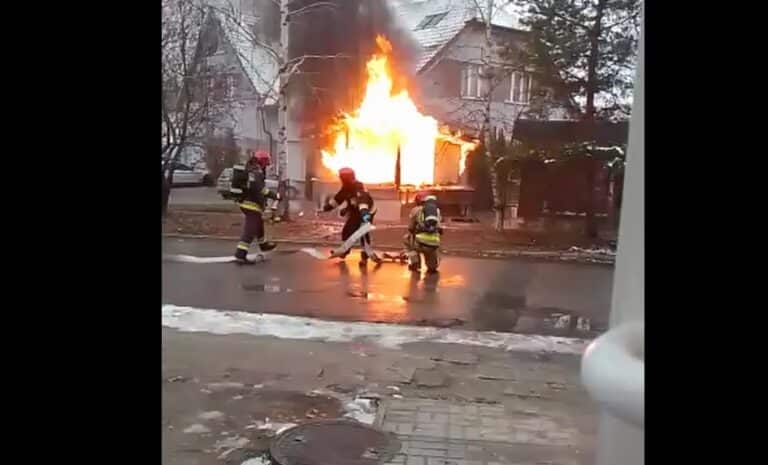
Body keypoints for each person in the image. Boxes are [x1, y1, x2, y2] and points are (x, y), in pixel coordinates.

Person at [321, 167, 381, 266]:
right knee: (347, 231)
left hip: (366, 212)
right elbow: (338, 199)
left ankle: (365, 257)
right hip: (356, 212)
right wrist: (326, 208)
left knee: (363, 234)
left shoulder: (358, 187)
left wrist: (365, 216)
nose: (341, 180)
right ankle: (345, 251)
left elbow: (363, 201)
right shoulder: (346, 188)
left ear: (346, 178)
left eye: (342, 178)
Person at [233, 151, 280, 265]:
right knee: (250, 230)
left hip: (250, 203)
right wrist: (275, 196)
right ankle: (240, 254)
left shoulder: (251, 169)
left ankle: (263, 245)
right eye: (266, 163)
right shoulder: (256, 172)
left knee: (258, 224)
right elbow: (262, 190)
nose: (266, 166)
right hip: (251, 205)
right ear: (262, 161)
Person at [404, 192, 442, 273]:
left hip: (420, 243)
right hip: (434, 244)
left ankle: (415, 262)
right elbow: (439, 228)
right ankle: (432, 264)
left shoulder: (415, 210)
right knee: (432, 268)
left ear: (417, 201)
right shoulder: (437, 211)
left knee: (406, 240)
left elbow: (410, 228)